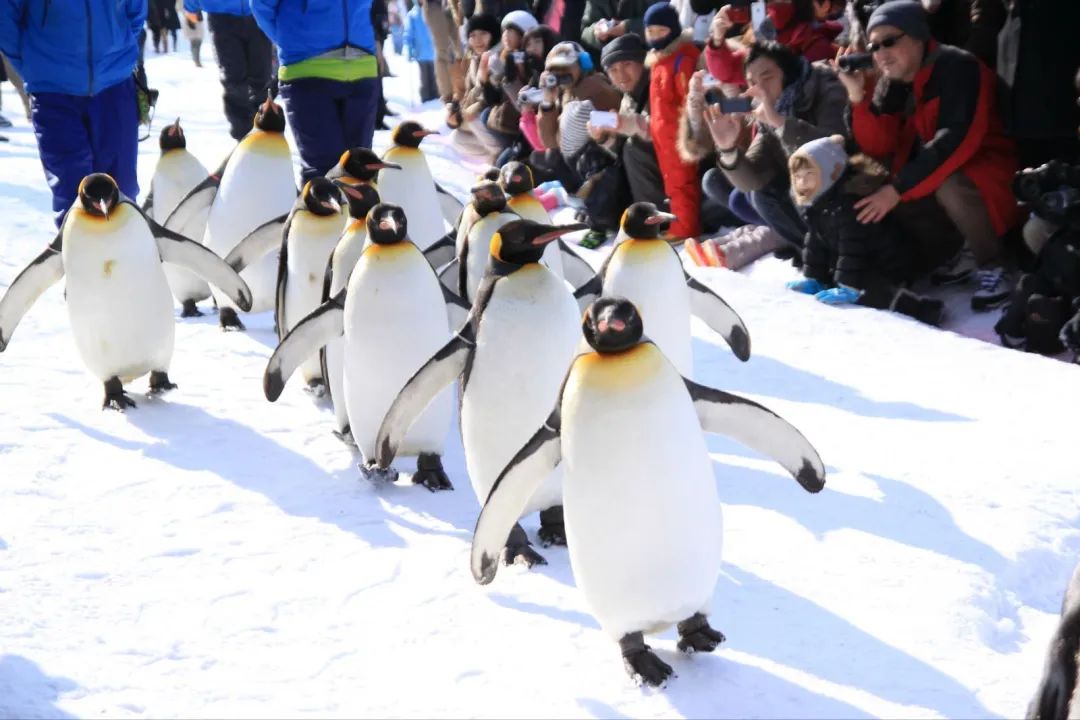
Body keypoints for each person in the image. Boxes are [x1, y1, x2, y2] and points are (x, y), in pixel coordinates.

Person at [840, 0, 1021, 310]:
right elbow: (877, 148)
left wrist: (897, 190)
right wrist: (859, 99)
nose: (881, 53)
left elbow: (956, 141)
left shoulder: (958, 67)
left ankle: (994, 262)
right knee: (863, 173)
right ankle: (923, 255)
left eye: (890, 42)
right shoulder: (893, 80)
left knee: (950, 182)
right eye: (874, 46)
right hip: (936, 175)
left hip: (992, 174)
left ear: (918, 36)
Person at [682, 39, 848, 250]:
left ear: (788, 75)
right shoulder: (771, 107)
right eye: (752, 82)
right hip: (800, 192)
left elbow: (836, 152)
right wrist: (727, 148)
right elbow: (753, 179)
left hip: (842, 195)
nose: (758, 88)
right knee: (738, 189)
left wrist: (779, 122)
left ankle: (822, 254)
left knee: (757, 197)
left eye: (767, 77)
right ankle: (807, 250)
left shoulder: (825, 88)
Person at [0, 0, 144, 228]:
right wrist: (35, 67)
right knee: (73, 193)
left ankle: (125, 259)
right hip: (53, 93)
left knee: (121, 189)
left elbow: (135, 11)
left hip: (114, 87)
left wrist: (117, 53)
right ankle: (80, 260)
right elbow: (5, 18)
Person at [785, 135, 945, 325]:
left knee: (864, 287)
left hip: (888, 262)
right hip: (860, 259)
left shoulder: (849, 203)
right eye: (797, 177)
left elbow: (852, 246)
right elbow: (815, 241)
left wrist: (848, 285)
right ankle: (832, 281)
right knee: (835, 277)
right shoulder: (818, 203)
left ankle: (921, 308)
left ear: (832, 171)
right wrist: (815, 277)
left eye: (809, 175)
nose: (802, 182)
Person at [252, 0, 382, 184]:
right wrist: (293, 41)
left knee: (360, 170)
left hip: (363, 68)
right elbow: (261, 5)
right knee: (324, 174)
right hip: (307, 71)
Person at [640, 2, 702, 239]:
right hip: (661, 133)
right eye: (651, 32)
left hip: (677, 134)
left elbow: (689, 99)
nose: (656, 37)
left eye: (661, 31)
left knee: (681, 183)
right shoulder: (659, 60)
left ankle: (686, 227)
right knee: (671, 182)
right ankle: (679, 221)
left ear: (673, 29)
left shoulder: (682, 58)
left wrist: (690, 134)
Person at [185, 0, 274, 142]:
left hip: (259, 12)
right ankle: (243, 135)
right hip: (221, 16)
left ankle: (264, 128)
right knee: (234, 80)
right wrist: (191, 6)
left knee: (262, 79)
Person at [579, 0, 650, 63]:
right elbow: (585, 31)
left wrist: (626, 27)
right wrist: (596, 31)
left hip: (647, 58)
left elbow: (659, 22)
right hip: (610, 63)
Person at [405, 0, 440, 103]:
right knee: (424, 78)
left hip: (434, 51)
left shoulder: (434, 12)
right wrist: (410, 48)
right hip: (421, 53)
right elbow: (408, 33)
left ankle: (436, 98)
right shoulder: (412, 14)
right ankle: (425, 99)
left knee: (435, 77)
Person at [177, 2, 206, 68]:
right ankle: (196, 60)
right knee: (195, 42)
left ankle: (196, 59)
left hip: (196, 18)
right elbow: (179, 7)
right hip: (190, 19)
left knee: (196, 41)